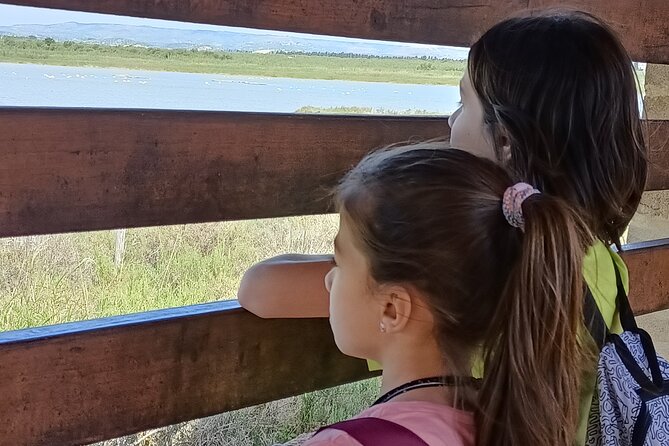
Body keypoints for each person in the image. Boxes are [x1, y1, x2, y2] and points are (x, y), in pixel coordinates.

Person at [239, 10, 647, 444]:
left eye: (462, 104)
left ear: (505, 141)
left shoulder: (479, 265)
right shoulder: (593, 257)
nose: (450, 121)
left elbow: (261, 289)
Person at [295, 143, 592, 445]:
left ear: (392, 309)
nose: (329, 281)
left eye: (339, 263)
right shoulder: (504, 421)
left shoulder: (347, 442)